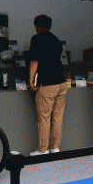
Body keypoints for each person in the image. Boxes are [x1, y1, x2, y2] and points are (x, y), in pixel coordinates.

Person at [28, 15, 67, 156]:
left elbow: (34, 61)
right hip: (61, 81)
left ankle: (42, 150)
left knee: (44, 118)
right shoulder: (56, 40)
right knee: (57, 117)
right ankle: (55, 148)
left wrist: (31, 80)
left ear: (37, 26)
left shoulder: (36, 39)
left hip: (47, 83)